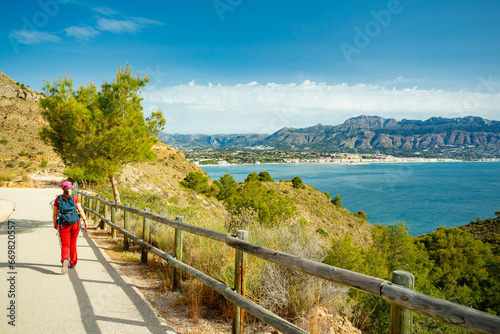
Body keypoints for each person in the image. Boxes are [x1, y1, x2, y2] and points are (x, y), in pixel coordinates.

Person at [53, 181, 88, 274]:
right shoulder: (75, 198)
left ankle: (65, 259)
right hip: (75, 223)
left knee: (65, 244)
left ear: (62, 188)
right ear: (70, 188)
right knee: (73, 242)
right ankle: (72, 262)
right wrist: (85, 220)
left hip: (63, 224)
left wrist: (55, 223)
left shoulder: (57, 199)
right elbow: (80, 210)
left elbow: (54, 214)